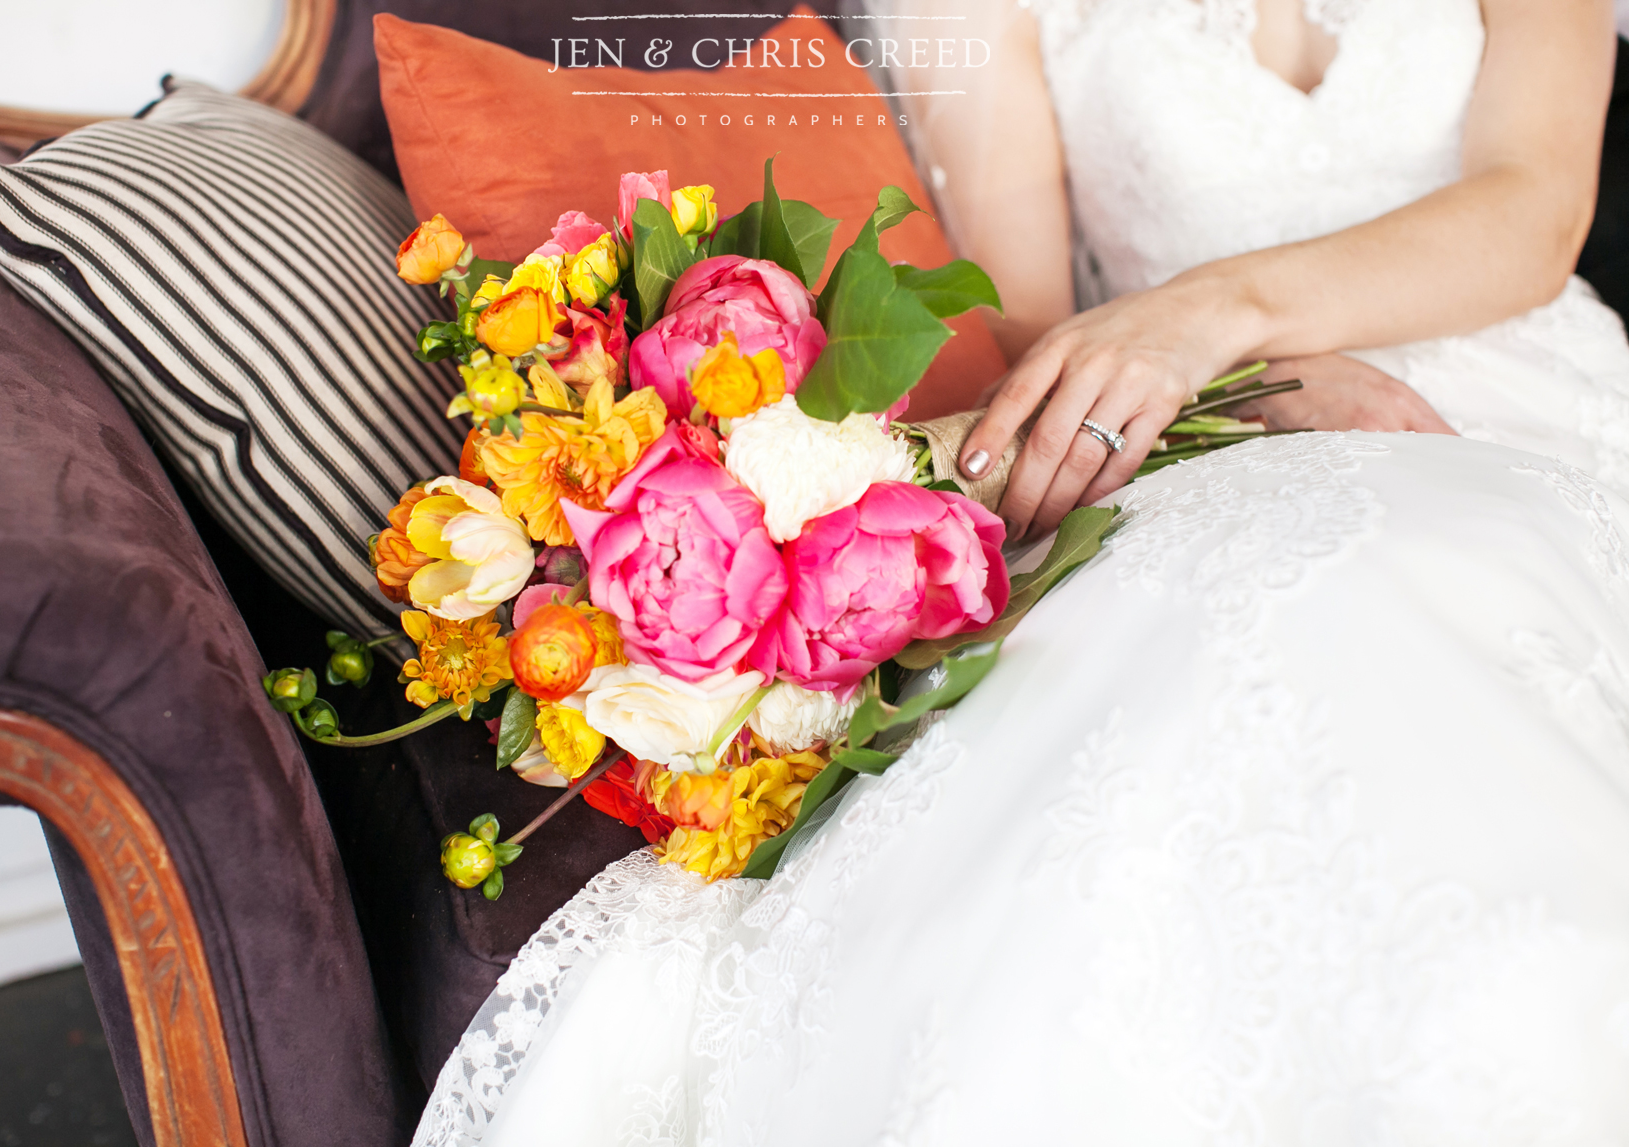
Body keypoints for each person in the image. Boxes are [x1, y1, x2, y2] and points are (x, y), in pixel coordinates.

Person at [414, 2, 1629, 1142]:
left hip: (1534, 402)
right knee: (1302, 643)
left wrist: (1219, 316)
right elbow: (1028, 321)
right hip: (1226, 423)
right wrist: (1263, 384)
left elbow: (1532, 206)